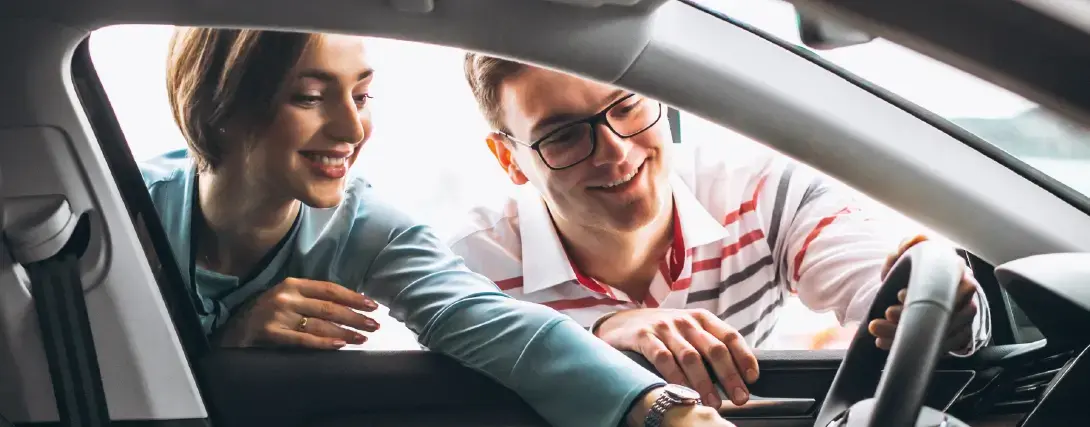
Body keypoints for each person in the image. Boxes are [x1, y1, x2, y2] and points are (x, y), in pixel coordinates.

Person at [141, 28, 734, 427]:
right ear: (221, 105)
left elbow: (495, 324)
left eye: (363, 94)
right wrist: (225, 355)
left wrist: (663, 411)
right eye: (310, 97)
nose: (352, 128)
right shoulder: (127, 216)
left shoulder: (367, 226)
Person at [452, 53, 993, 409]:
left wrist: (943, 310)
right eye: (565, 136)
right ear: (510, 159)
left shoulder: (761, 193)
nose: (616, 150)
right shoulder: (468, 265)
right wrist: (601, 335)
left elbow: (886, 288)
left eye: (627, 105)